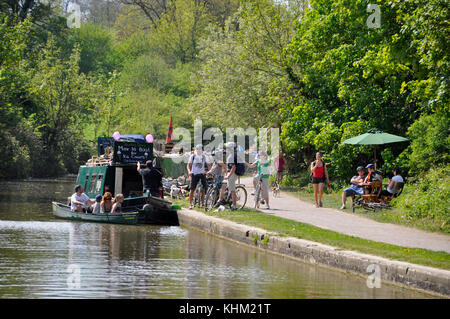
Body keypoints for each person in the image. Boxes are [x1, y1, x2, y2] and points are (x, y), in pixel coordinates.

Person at [217, 142, 240, 210]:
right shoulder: (231, 155)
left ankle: (234, 206)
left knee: (232, 190)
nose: (225, 149)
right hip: (230, 173)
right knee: (223, 185)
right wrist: (225, 173)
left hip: (233, 174)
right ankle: (220, 200)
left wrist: (228, 176)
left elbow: (233, 167)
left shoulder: (232, 156)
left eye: (226, 148)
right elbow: (228, 167)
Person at [187, 144, 210, 209]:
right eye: (197, 149)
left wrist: (206, 171)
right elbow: (188, 165)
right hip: (194, 174)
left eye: (200, 149)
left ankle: (203, 204)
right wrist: (189, 171)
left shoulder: (204, 156)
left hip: (202, 174)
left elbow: (208, 165)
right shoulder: (193, 156)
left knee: (203, 189)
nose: (198, 150)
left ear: (202, 150)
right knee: (192, 189)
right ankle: (190, 204)